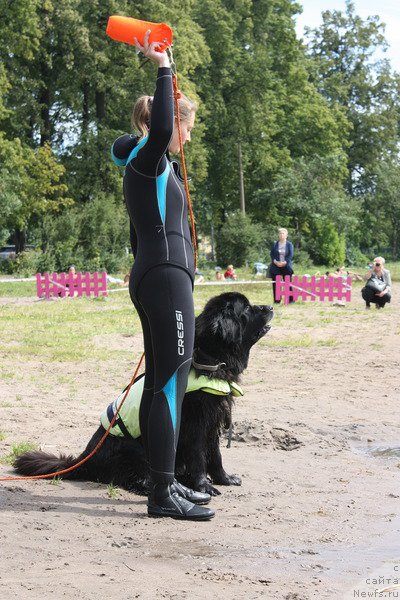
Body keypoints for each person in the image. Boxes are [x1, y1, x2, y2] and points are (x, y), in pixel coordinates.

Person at [111, 31, 214, 520]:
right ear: (169, 125)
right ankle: (162, 494)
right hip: (165, 279)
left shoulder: (148, 161)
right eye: (185, 126)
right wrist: (164, 64)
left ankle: (164, 486)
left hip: (158, 276)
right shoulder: (151, 159)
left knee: (160, 385)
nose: (188, 135)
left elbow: (122, 143)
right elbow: (157, 129)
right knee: (172, 383)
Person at [269, 228, 294, 303]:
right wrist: (275, 261)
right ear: (278, 235)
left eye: (283, 233)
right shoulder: (275, 244)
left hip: (286, 266)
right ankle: (277, 300)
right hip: (276, 266)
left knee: (288, 284)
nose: (281, 235)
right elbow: (272, 254)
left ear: (286, 235)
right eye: (280, 233)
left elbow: (290, 255)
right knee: (276, 284)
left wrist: (285, 262)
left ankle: (290, 300)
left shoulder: (289, 244)